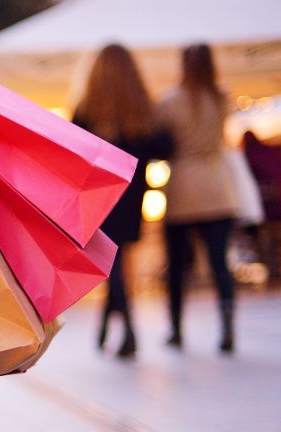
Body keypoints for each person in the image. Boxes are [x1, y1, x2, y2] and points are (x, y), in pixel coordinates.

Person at [72, 44, 173, 359]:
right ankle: (111, 324)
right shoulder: (142, 109)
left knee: (111, 260)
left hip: (99, 193)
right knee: (118, 258)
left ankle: (126, 327)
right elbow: (163, 147)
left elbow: (74, 148)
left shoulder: (86, 108)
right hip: (132, 192)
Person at [157, 43, 239, 353]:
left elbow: (162, 143)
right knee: (220, 263)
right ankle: (227, 324)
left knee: (178, 266)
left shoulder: (169, 101)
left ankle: (176, 328)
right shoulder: (221, 98)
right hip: (218, 185)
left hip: (183, 186)